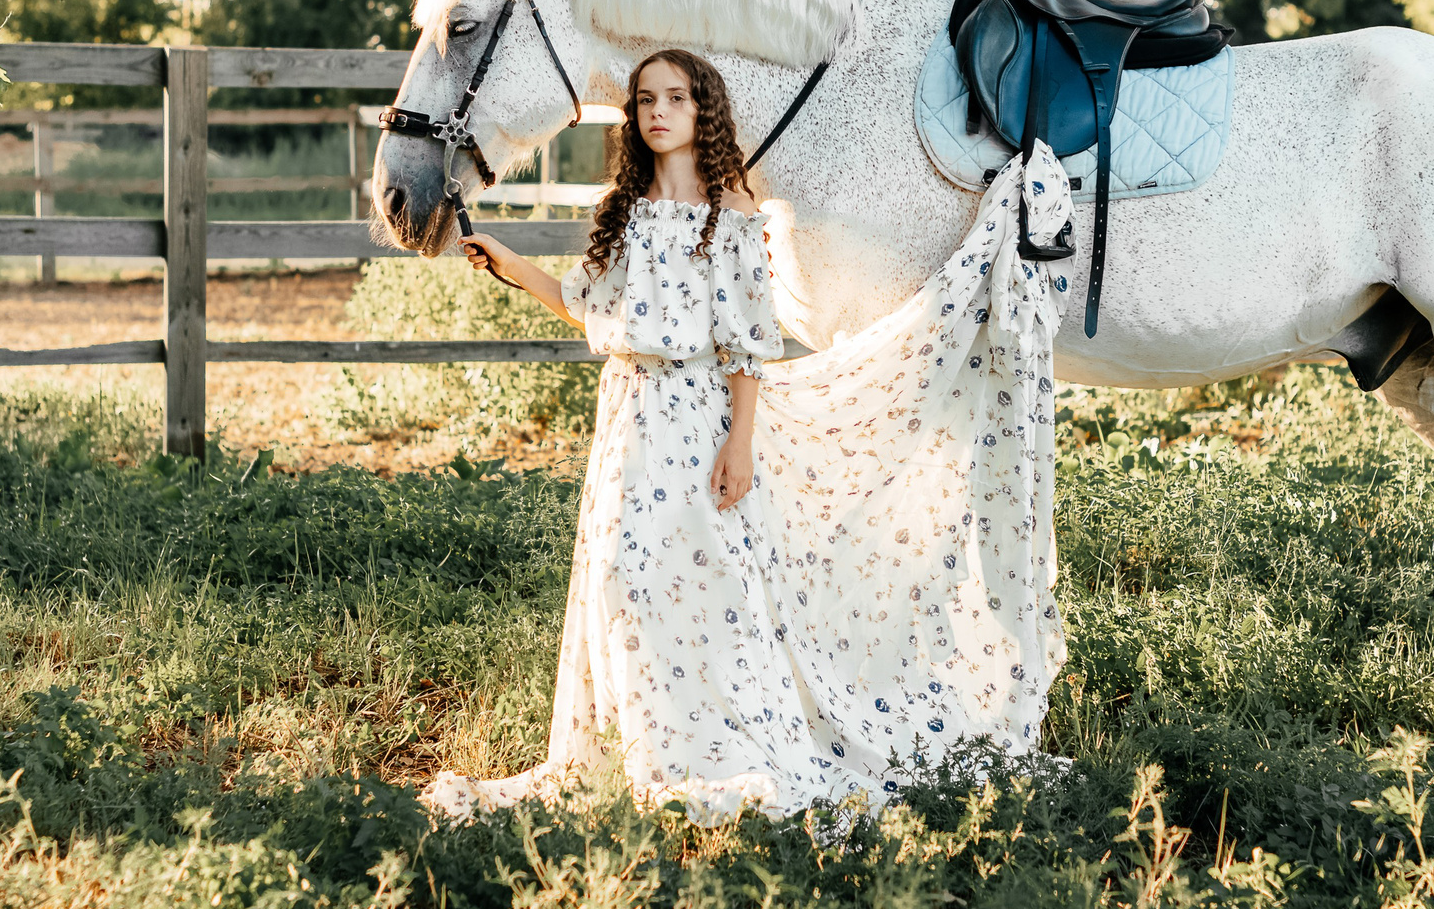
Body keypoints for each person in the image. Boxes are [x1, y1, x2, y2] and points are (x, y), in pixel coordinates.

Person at [428, 48, 1074, 827]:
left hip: (696, 417)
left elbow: (747, 344)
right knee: (622, 578)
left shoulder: (730, 213)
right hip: (628, 415)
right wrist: (509, 263)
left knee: (710, 581)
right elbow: (585, 306)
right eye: (643, 101)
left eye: (675, 97)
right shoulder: (623, 211)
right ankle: (642, 742)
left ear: (703, 110)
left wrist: (740, 441)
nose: (657, 112)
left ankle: (708, 746)